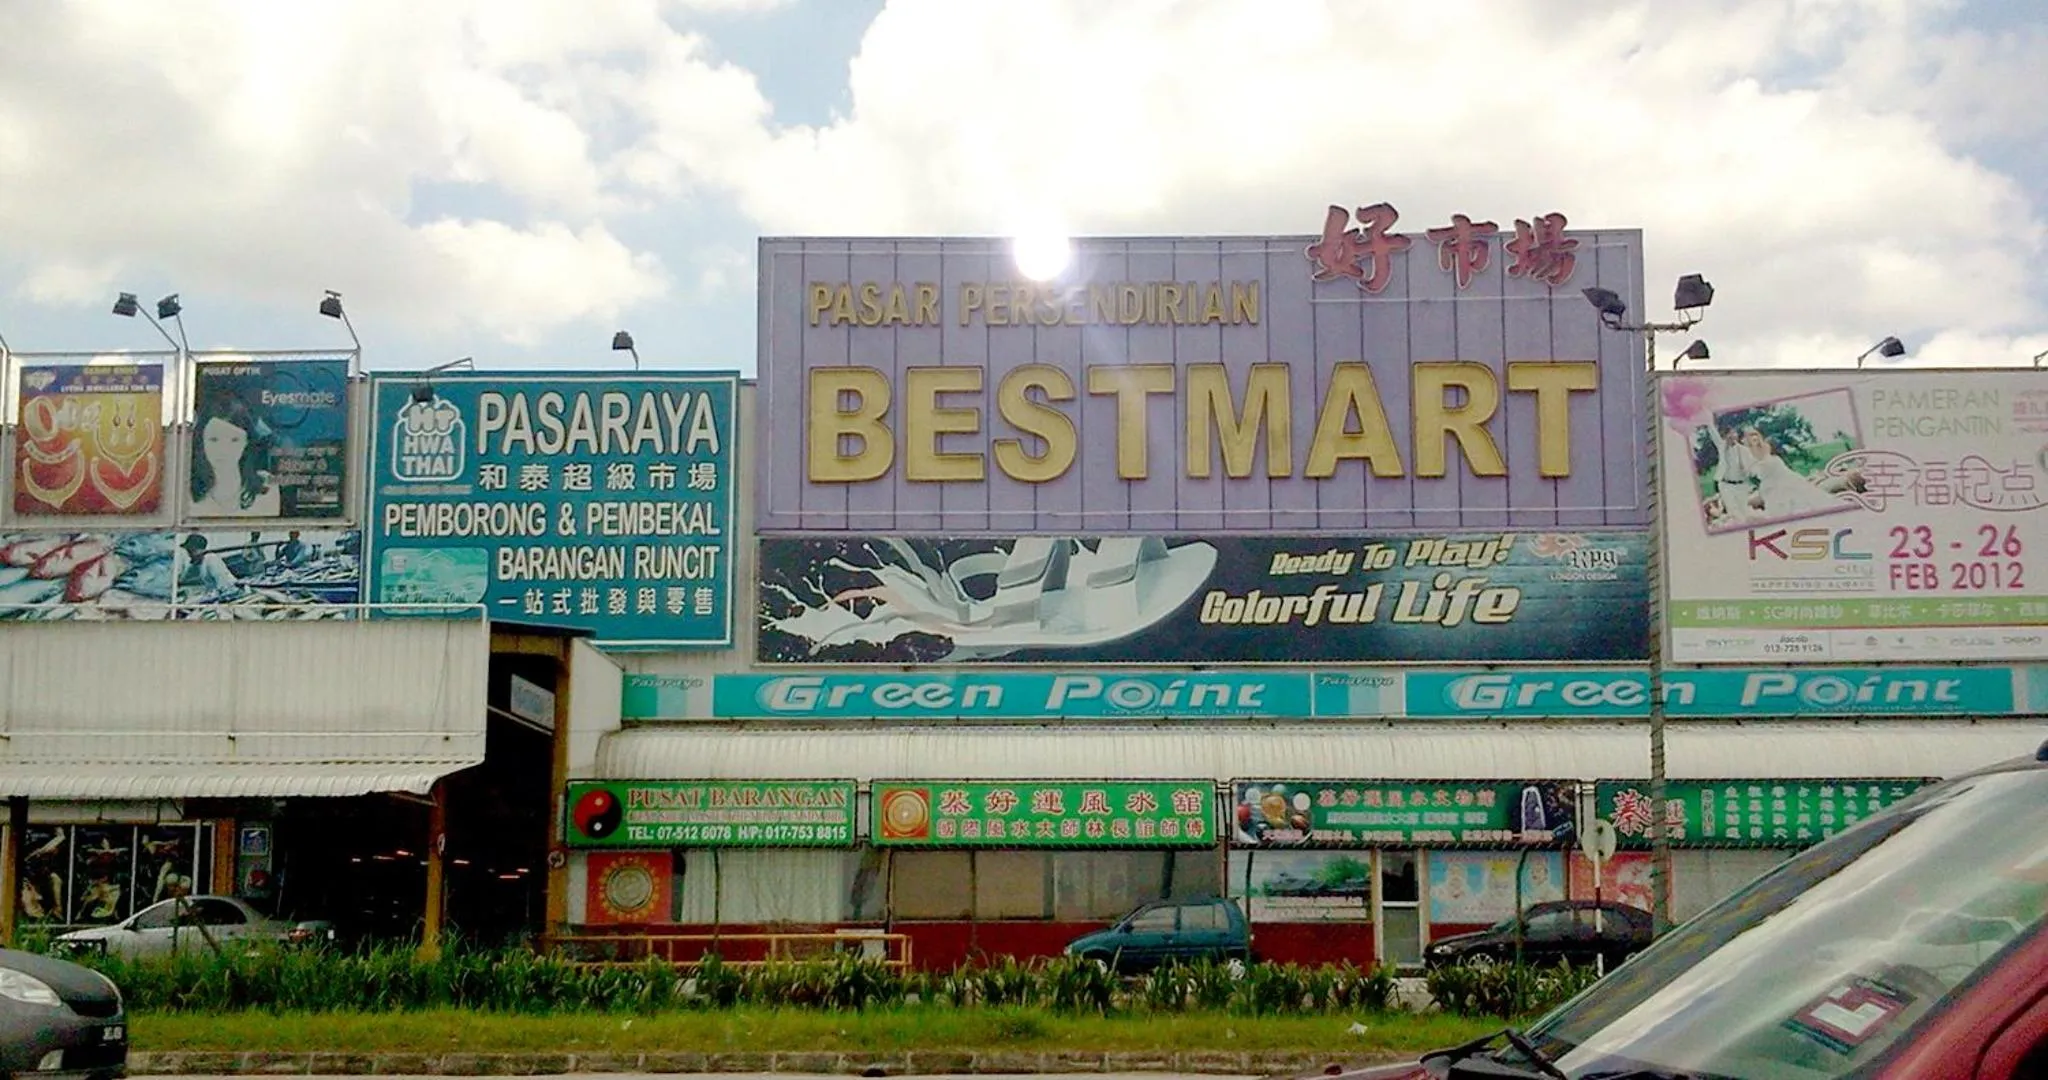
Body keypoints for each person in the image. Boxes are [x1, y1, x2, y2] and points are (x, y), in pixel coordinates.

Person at [190, 395, 280, 517]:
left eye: (234, 440)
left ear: (246, 442)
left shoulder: (266, 487)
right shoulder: (187, 490)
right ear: (202, 441)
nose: (224, 450)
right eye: (214, 439)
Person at [1742, 427, 1852, 517]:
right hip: (1776, 482)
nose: (1752, 440)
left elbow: (1765, 464)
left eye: (1753, 436)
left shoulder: (1764, 451)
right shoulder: (1754, 455)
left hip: (1780, 482)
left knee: (1799, 501)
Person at [174, 534, 240, 599]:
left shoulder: (211, 559)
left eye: (191, 551)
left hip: (230, 593)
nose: (189, 555)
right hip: (215, 594)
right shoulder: (198, 563)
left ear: (199, 550)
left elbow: (223, 583)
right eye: (189, 552)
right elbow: (183, 579)